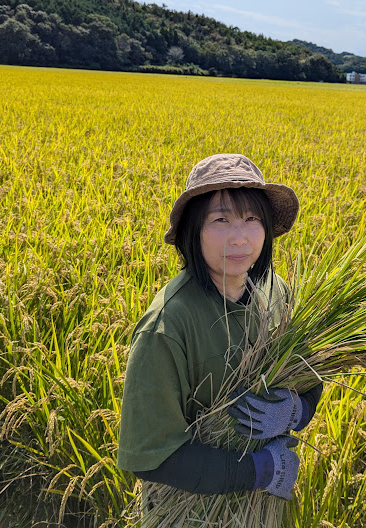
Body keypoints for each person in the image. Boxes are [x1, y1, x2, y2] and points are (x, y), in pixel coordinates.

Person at [117, 154, 323, 502]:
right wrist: (261, 470)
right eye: (221, 219)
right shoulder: (167, 326)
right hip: (191, 507)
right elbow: (153, 456)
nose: (239, 238)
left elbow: (311, 376)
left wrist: (295, 411)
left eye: (252, 218)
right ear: (192, 231)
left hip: (263, 505)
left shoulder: (276, 292)